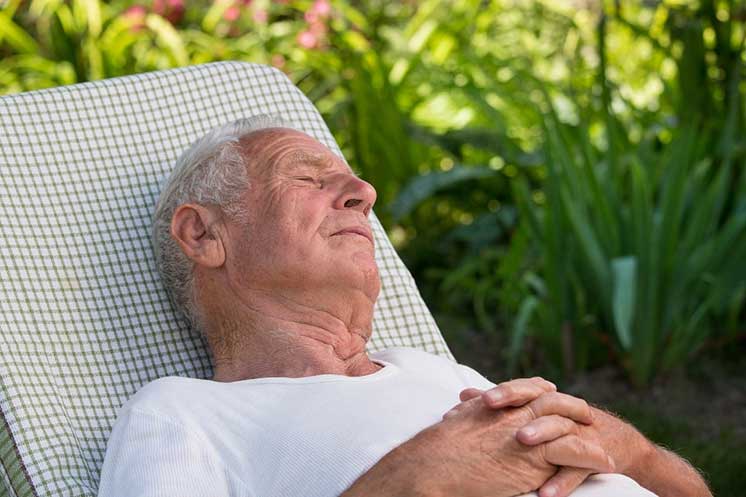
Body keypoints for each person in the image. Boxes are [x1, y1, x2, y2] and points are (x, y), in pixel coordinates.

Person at [97, 115, 711, 497]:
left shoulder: (439, 374)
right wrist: (417, 479)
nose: (365, 193)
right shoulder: (185, 416)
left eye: (356, 185)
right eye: (308, 179)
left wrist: (625, 448)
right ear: (203, 235)